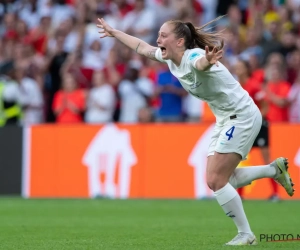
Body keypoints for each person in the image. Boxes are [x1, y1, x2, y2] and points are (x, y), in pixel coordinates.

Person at [96, 16, 295, 246]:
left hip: (242, 115)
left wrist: (208, 61)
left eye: (163, 35)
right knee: (221, 179)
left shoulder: (193, 56)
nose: (158, 39)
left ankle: (246, 234)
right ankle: (274, 170)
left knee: (215, 179)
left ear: (180, 41)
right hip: (225, 118)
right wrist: (114, 31)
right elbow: (142, 47)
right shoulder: (170, 58)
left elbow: (200, 64)